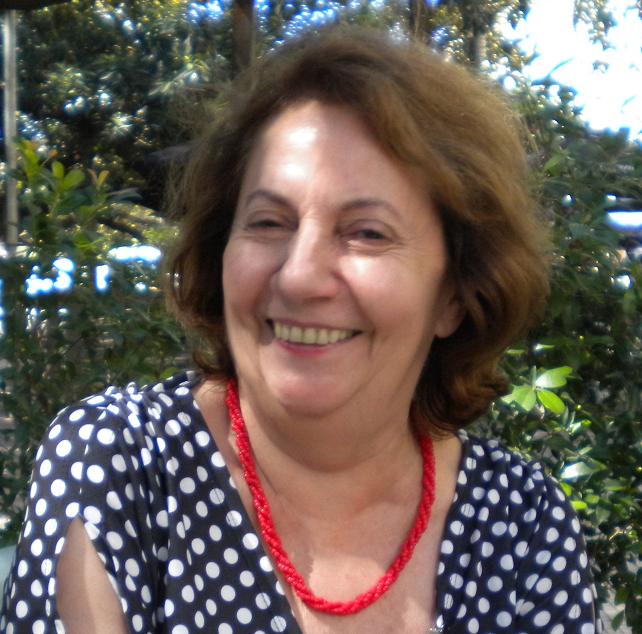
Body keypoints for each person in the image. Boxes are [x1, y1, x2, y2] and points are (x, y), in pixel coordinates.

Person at [1, 26, 600, 634]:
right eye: (268, 222)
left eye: (367, 232)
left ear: (454, 295)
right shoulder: (120, 465)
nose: (299, 275)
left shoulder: (523, 526)